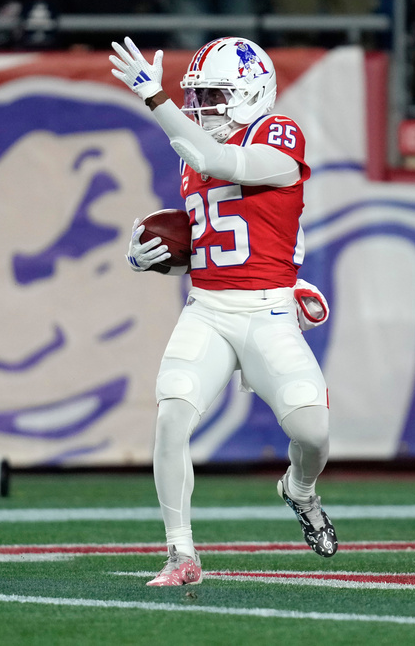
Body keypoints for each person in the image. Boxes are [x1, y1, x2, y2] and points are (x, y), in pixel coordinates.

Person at [109, 35, 337, 586]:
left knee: (313, 432)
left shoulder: (277, 134)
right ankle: (180, 552)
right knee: (171, 418)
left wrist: (153, 98)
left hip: (267, 311)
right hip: (208, 307)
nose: (200, 106)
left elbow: (216, 158)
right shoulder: (192, 153)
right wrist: (154, 257)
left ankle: (300, 489)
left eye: (212, 94)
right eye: (196, 95)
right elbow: (214, 243)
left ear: (253, 92)